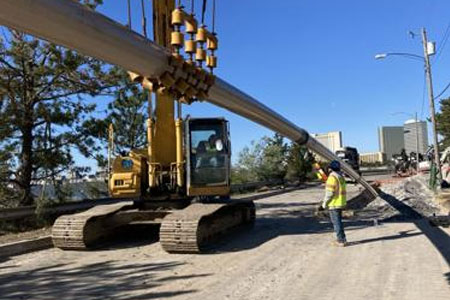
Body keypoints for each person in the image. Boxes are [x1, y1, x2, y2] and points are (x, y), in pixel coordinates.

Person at [321, 160, 347, 247]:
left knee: (336, 223)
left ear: (330, 168)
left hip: (334, 203)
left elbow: (329, 193)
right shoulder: (340, 176)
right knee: (339, 222)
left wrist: (324, 204)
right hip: (340, 202)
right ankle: (343, 238)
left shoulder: (332, 177)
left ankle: (340, 241)